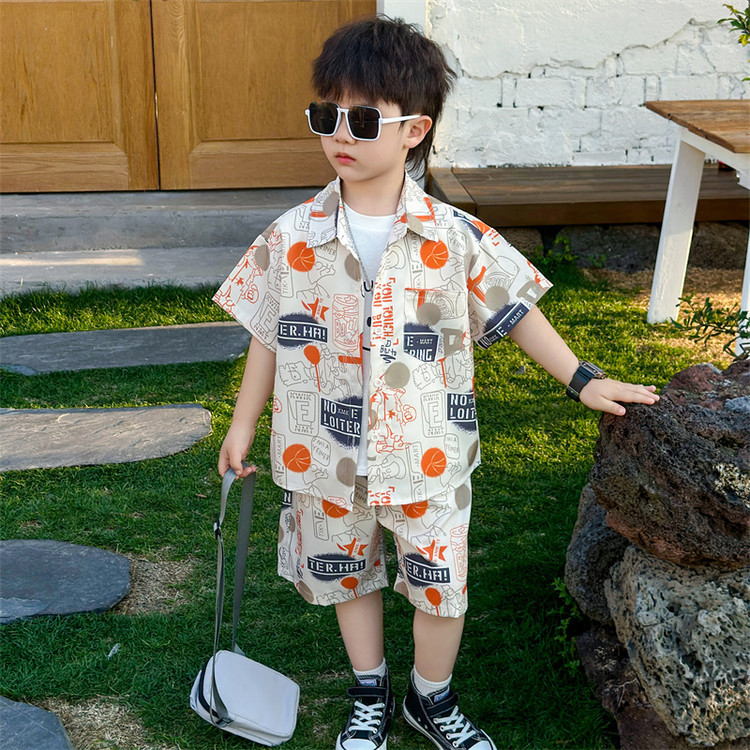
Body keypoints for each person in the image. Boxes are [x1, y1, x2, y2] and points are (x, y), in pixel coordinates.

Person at [214, 15, 659, 750]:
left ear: (414, 130)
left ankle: (431, 699)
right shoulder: (290, 235)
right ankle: (370, 691)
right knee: (346, 574)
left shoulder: (455, 236)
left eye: (363, 119)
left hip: (429, 454)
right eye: (326, 116)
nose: (340, 135)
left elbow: (516, 310)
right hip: (320, 453)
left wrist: (582, 378)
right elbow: (267, 329)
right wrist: (240, 426)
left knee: (439, 585)